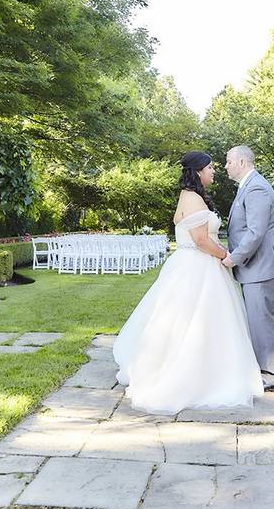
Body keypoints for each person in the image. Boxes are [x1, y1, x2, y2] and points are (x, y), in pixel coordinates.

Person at [113, 150, 264, 414]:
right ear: (198, 171)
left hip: (191, 264)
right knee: (196, 321)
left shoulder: (190, 196)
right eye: (210, 168)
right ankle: (195, 375)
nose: (214, 171)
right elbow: (201, 240)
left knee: (195, 321)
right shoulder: (193, 199)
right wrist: (226, 256)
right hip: (198, 266)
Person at [222, 145, 274, 392]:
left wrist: (233, 258)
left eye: (228, 161)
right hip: (254, 269)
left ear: (241, 161)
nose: (225, 166)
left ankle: (270, 377)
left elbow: (256, 232)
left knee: (261, 322)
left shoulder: (257, 187)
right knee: (255, 321)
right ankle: (261, 370)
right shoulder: (248, 186)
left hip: (261, 267)